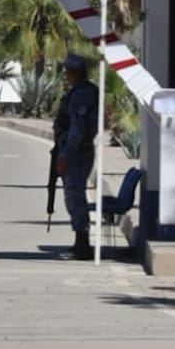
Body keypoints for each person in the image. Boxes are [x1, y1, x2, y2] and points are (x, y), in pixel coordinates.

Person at [52, 51, 98, 261]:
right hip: (74, 151)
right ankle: (79, 242)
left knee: (75, 196)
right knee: (72, 196)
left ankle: (83, 245)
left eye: (68, 71)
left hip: (77, 153)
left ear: (74, 72)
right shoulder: (77, 91)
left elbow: (77, 129)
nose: (66, 75)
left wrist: (65, 156)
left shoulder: (83, 94)